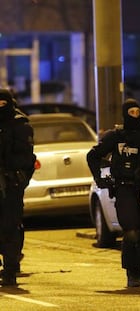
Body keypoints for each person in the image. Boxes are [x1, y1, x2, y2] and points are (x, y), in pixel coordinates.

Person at [87, 98, 140, 287]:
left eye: (137, 112)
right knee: (131, 231)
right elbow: (93, 155)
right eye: (131, 112)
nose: (134, 115)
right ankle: (131, 272)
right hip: (124, 187)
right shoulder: (116, 136)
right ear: (125, 114)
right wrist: (100, 179)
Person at [0, 89, 36, 286]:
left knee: (10, 226)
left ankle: (10, 269)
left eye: (3, 103)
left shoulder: (19, 124)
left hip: (10, 184)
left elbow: (27, 157)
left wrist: (19, 179)